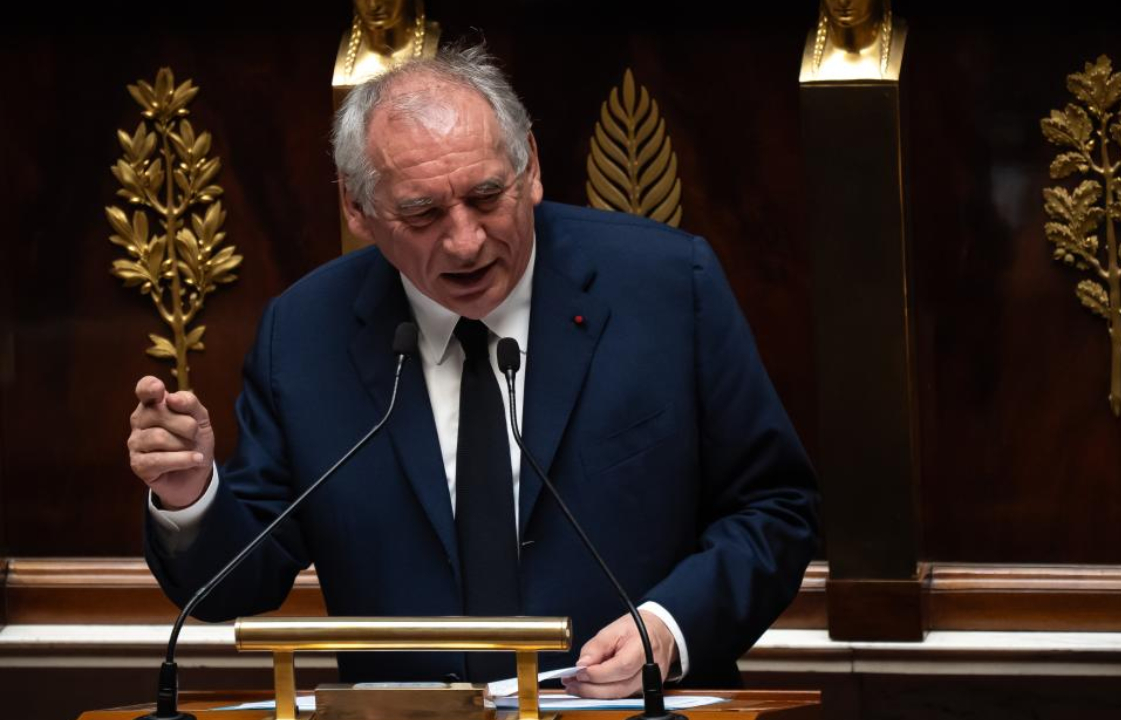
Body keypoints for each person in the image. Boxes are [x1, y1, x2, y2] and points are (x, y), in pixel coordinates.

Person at [127, 43, 819, 697]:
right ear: (358, 209)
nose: (465, 241)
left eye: (488, 196)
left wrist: (667, 629)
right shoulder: (305, 335)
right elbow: (237, 586)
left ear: (532, 169)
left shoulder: (667, 288)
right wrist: (192, 499)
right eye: (422, 213)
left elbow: (774, 511)